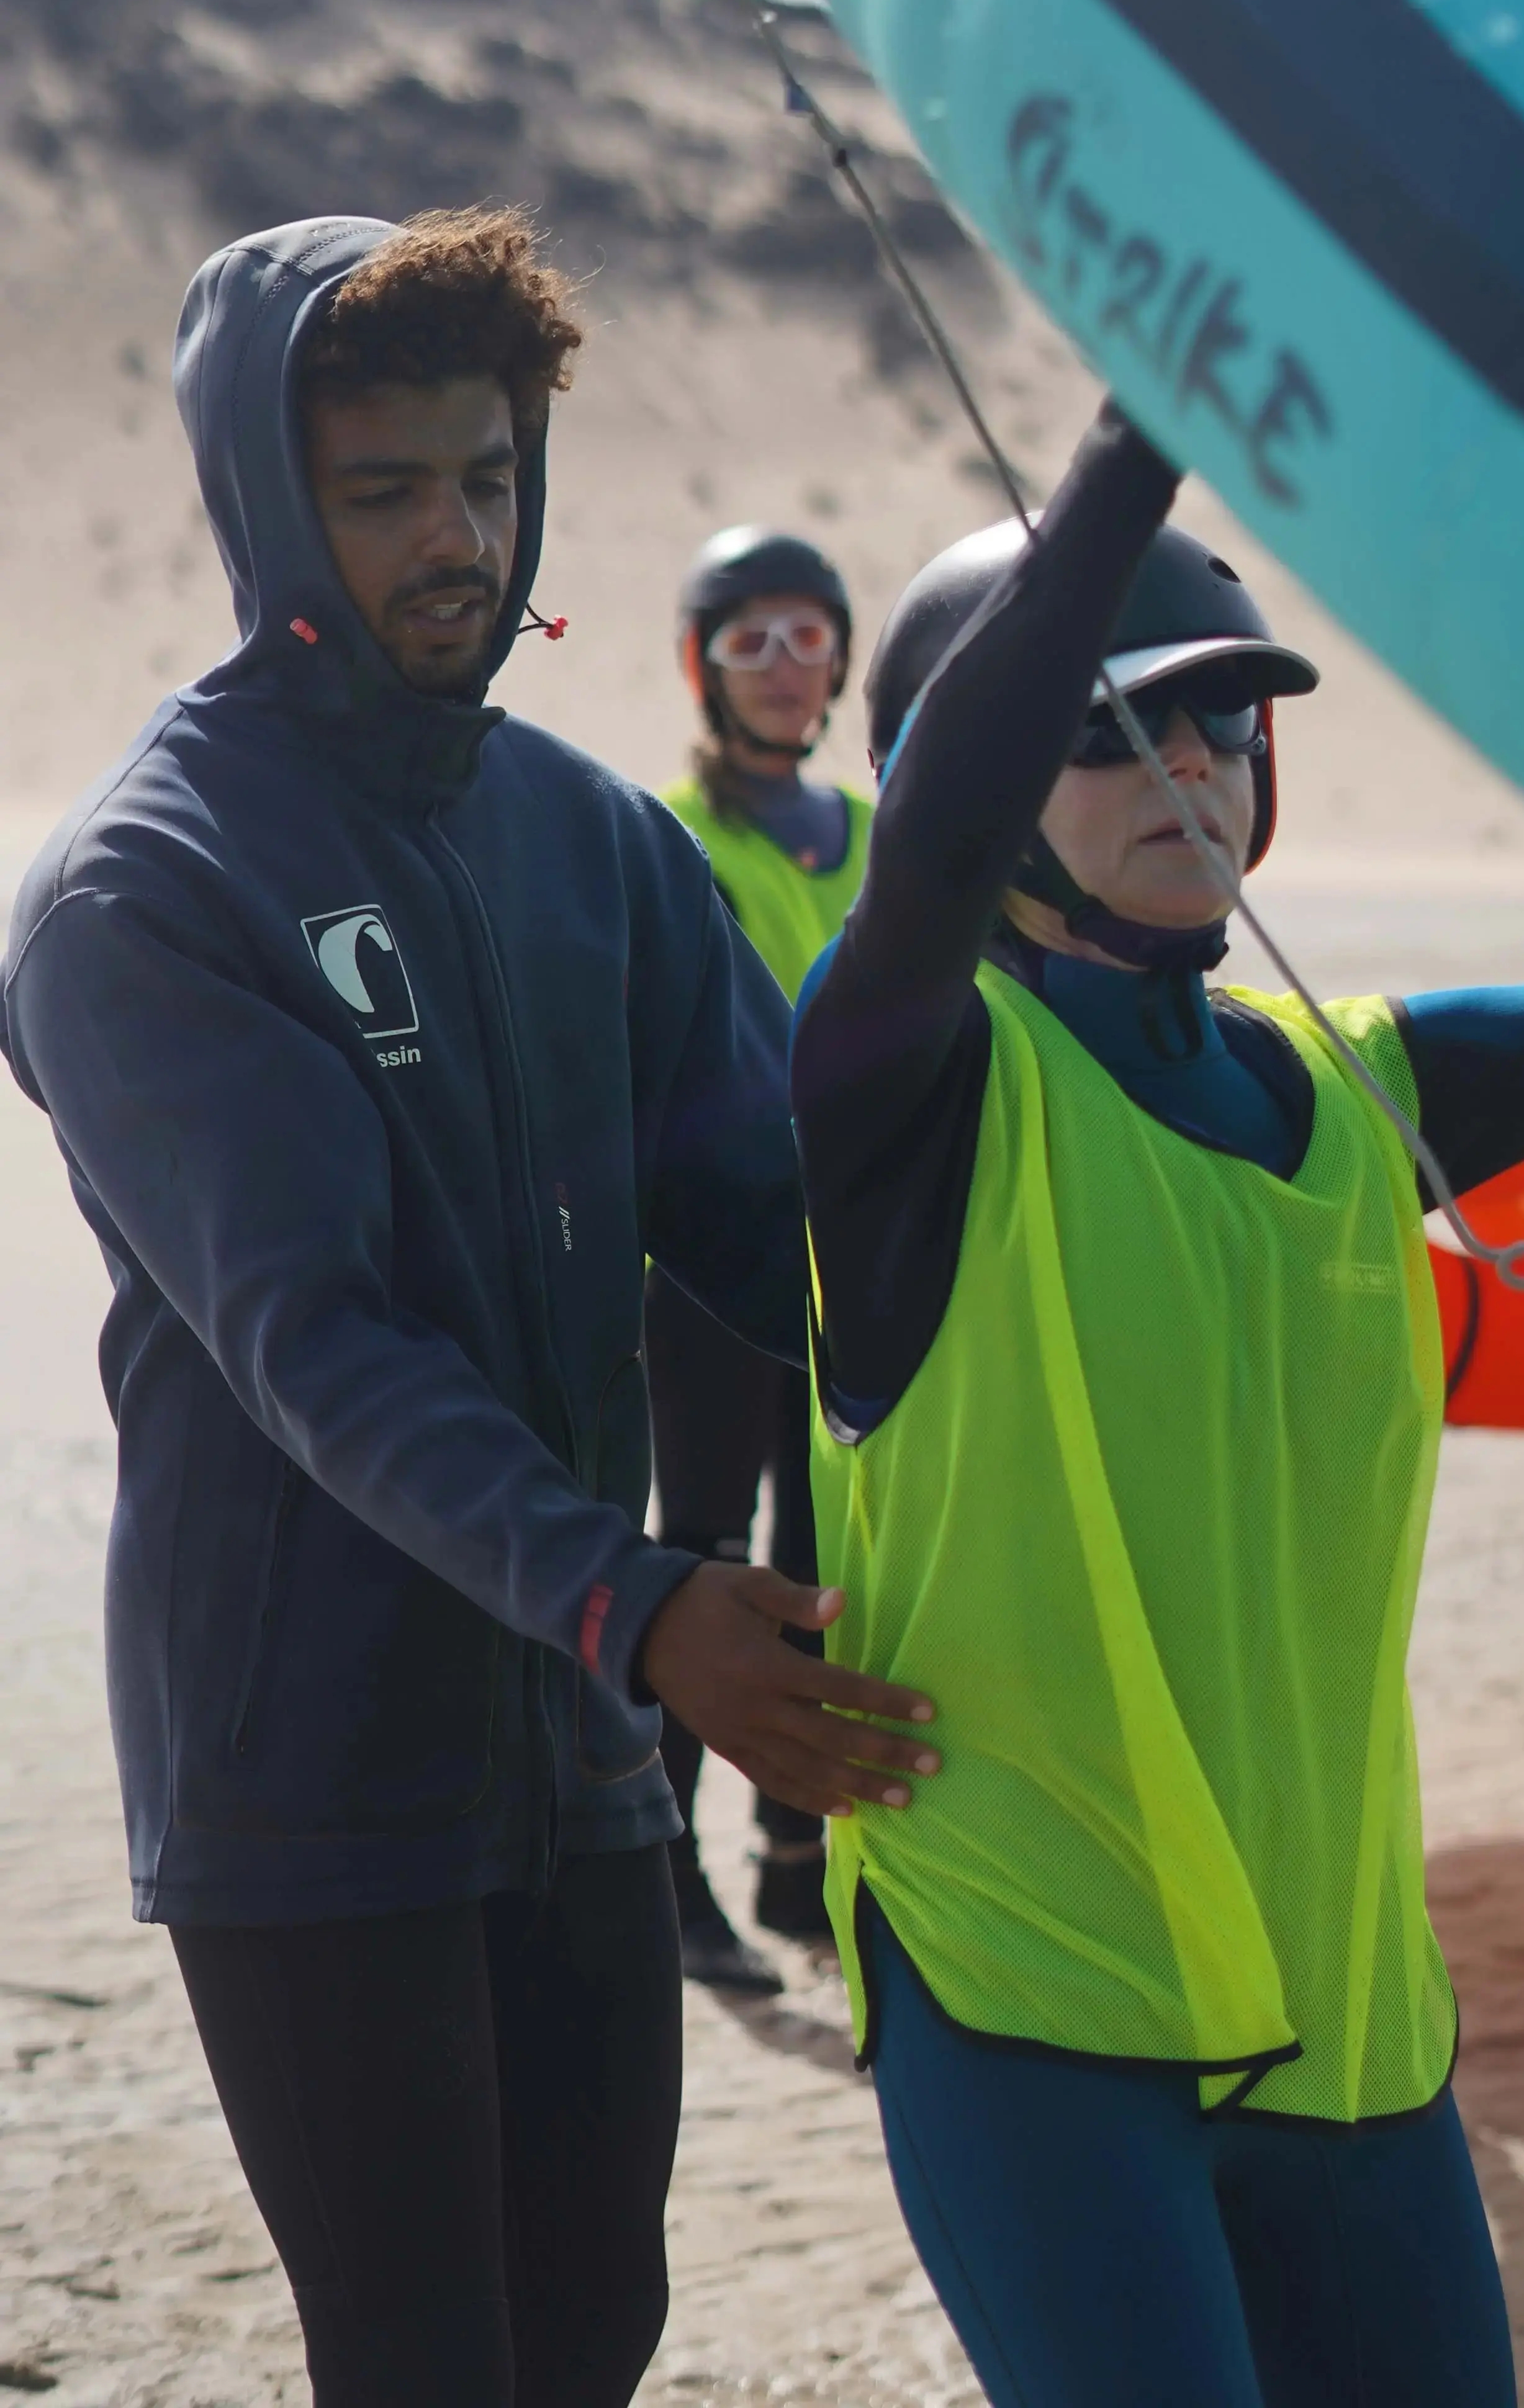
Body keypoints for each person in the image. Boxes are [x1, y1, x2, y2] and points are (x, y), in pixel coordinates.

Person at [0, 206, 938, 2408]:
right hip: (313, 1773)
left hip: (582, 1746)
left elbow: (774, 1226)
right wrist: (637, 1601)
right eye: (387, 486)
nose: (459, 539)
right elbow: (317, 1344)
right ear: (268, 497)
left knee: (594, 2327)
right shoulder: (147, 891)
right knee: (427, 2362)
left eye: (490, 476)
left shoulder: (592, 837)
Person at [791, 397, 1524, 2406]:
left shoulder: (1361, 1093)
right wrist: (1147, 429)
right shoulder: (910, 1080)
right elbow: (921, 856)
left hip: (1346, 2003)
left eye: (1220, 724)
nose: (1179, 761)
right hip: (1035, 1996)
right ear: (969, 789)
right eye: (1103, 727)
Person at [647, 527, 874, 1991]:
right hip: (712, 1259)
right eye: (751, 642)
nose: (785, 668)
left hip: (858, 1253)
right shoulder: (664, 833)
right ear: (701, 668)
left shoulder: (882, 833)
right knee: (701, 1552)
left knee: (827, 1555)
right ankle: (659, 1863)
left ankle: (795, 1864)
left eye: (807, 638)